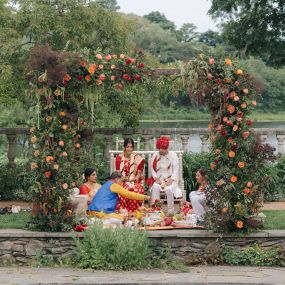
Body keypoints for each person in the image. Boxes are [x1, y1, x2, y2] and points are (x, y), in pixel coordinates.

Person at [148, 136, 182, 215]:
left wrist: (171, 180)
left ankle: (170, 210)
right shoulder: (155, 155)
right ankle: (157, 209)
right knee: (155, 187)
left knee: (169, 189)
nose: (160, 150)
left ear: (167, 148)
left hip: (170, 179)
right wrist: (155, 178)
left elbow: (176, 170)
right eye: (159, 148)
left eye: (162, 148)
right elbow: (152, 168)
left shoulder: (173, 155)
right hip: (159, 178)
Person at [115, 138, 145, 213]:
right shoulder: (119, 158)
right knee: (125, 188)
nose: (129, 149)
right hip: (122, 181)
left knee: (138, 188)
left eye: (131, 147)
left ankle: (135, 211)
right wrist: (124, 179)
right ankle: (124, 211)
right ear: (124, 147)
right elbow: (118, 174)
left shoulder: (137, 158)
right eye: (127, 147)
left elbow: (139, 174)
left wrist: (136, 178)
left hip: (134, 180)